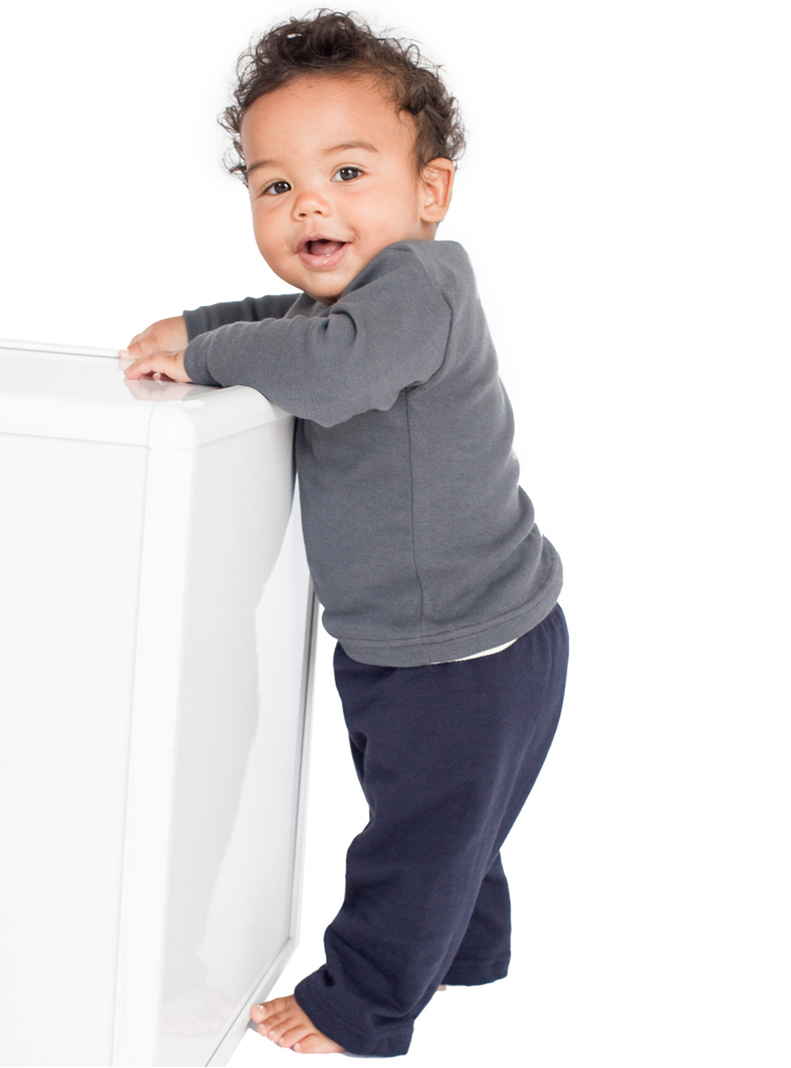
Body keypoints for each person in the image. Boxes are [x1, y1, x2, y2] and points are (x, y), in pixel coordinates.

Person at [121, 11, 568, 1058]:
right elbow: (288, 324)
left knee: (413, 840)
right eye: (274, 184)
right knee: (450, 823)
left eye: (348, 172)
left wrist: (206, 355)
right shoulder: (353, 299)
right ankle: (461, 951)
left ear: (430, 193)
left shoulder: (418, 290)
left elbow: (330, 371)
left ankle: (362, 1002)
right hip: (424, 643)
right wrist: (198, 325)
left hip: (465, 651)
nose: (308, 202)